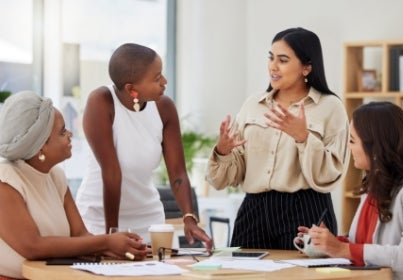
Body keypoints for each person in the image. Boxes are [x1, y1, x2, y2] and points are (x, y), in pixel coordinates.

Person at [206, 27, 350, 249]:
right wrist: (223, 152)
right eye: (271, 58)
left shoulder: (330, 107)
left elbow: (331, 173)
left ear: (307, 67)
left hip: (305, 209)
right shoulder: (253, 105)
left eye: (283, 60)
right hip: (253, 210)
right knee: (244, 274)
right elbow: (229, 177)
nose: (273, 66)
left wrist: (303, 138)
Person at [75, 43, 212, 250]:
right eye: (157, 78)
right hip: (100, 220)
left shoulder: (164, 107)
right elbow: (111, 172)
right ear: (132, 88)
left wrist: (189, 218)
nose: (164, 82)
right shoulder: (101, 102)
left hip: (150, 221)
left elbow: (178, 172)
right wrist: (111, 235)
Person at [0, 91, 150, 280]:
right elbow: (32, 246)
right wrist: (106, 242)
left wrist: (114, 249)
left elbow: (80, 235)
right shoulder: (5, 179)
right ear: (41, 147)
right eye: (62, 131)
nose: (70, 134)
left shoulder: (56, 176)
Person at [301, 102, 403, 280]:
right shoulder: (373, 185)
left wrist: (342, 249)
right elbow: (365, 245)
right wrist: (328, 242)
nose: (348, 146)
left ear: (375, 147)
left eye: (352, 140)